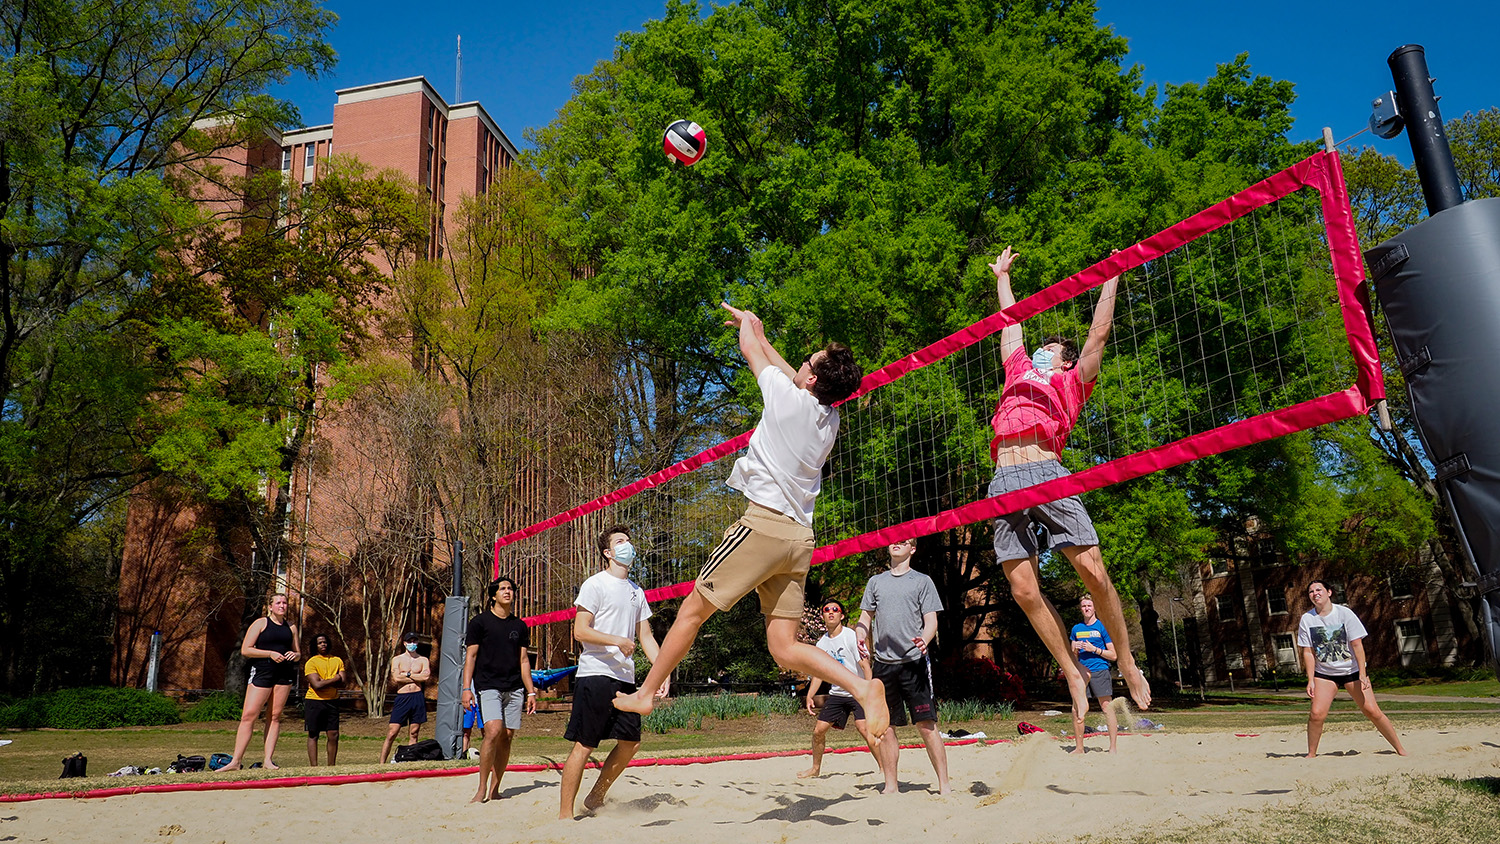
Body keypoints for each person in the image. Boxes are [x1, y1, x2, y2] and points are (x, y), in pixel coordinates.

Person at [613, 303, 889, 744]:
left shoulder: (787, 398)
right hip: (800, 539)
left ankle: (646, 693)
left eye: (809, 360)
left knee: (691, 610)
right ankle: (861, 686)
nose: (800, 362)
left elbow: (757, 358)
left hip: (762, 528)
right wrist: (762, 336)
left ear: (813, 378)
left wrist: (748, 327)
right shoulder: (828, 417)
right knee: (784, 647)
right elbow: (790, 373)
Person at [987, 246, 1151, 720]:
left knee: (1094, 573)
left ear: (1063, 361)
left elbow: (1099, 332)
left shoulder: (1073, 381)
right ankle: (1072, 674)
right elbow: (1009, 322)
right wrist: (1002, 277)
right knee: (1022, 591)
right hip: (1003, 477)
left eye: (1051, 348)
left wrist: (1113, 276)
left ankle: (1130, 663)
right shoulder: (1017, 370)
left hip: (1045, 470)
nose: (1042, 348)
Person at [559, 526, 668, 819]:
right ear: (608, 553)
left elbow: (646, 636)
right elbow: (580, 630)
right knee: (584, 745)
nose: (627, 546)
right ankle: (564, 816)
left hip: (625, 678)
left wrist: (663, 671)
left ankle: (595, 797)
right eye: (620, 542)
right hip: (595, 673)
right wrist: (616, 640)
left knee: (631, 743)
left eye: (629, 542)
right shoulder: (595, 584)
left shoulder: (636, 591)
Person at [856, 537, 949, 795]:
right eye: (893, 539)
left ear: (913, 548)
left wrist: (926, 639)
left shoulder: (922, 581)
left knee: (926, 725)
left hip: (913, 663)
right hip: (884, 665)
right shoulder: (876, 582)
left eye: (903, 540)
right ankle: (891, 786)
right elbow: (865, 617)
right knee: (885, 728)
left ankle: (944, 786)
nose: (896, 542)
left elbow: (931, 621)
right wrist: (860, 634)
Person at [1298, 580, 1407, 758]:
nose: (1315, 593)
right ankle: (1311, 754)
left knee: (1372, 711)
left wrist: (1362, 674)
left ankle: (1400, 749)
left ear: (1329, 592)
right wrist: (1310, 679)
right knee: (1316, 714)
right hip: (1325, 674)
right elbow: (1308, 652)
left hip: (1352, 671)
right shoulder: (1307, 619)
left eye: (1319, 589)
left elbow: (1357, 645)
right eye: (1311, 591)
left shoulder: (1344, 613)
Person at [462, 577, 538, 803]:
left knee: (507, 736)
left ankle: (496, 789)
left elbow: (524, 661)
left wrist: (531, 692)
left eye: (510, 589)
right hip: (488, 685)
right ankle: (481, 788)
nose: (508, 592)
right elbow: (471, 657)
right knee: (493, 731)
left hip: (514, 687)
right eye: (503, 589)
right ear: (493, 596)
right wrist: (467, 689)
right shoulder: (479, 622)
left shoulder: (519, 625)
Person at [797, 599, 877, 780]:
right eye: (827, 610)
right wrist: (810, 695)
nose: (831, 612)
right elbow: (818, 674)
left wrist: (869, 692)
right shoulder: (821, 644)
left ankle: (884, 767)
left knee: (864, 729)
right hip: (838, 694)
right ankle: (815, 769)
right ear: (823, 616)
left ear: (841, 615)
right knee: (818, 731)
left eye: (835, 609)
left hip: (858, 691)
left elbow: (866, 666)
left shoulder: (851, 637)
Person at [221, 593, 300, 771]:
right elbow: (246, 650)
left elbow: (298, 653)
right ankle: (236, 761)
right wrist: (269, 653)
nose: (282, 605)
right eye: (278, 602)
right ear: (270, 606)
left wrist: (295, 655)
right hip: (263, 672)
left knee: (274, 716)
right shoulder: (261, 623)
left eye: (285, 603)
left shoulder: (291, 627)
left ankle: (268, 760)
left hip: (283, 674)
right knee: (249, 715)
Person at [1069, 595, 1118, 754]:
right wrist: (1074, 648)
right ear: (1081, 609)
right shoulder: (1076, 629)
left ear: (1095, 607)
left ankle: (1112, 748)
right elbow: (1072, 655)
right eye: (1084, 606)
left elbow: (1113, 655)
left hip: (1100, 670)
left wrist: (1094, 649)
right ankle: (1079, 748)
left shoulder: (1102, 627)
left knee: (1107, 708)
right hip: (1082, 673)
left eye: (1089, 605)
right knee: (1077, 709)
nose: (1086, 608)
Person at [380, 632, 432, 763]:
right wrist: (415, 676)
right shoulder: (397, 659)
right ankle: (381, 763)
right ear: (404, 643)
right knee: (392, 732)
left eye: (415, 641)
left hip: (417, 697)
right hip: (403, 698)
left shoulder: (423, 660)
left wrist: (407, 675)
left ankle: (410, 760)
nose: (412, 644)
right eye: (410, 641)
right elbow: (396, 678)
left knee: (414, 732)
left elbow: (425, 677)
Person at [303, 633, 347, 766]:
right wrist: (335, 678)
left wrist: (325, 681)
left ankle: (331, 766)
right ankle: (314, 767)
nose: (323, 645)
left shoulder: (337, 660)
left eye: (325, 642)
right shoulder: (311, 662)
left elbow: (343, 682)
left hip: (332, 700)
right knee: (313, 734)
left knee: (333, 734)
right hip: (314, 701)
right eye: (320, 643)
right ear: (315, 646)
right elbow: (317, 686)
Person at [461, 690, 482, 758]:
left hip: (483, 701)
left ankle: (488, 755)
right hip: (467, 702)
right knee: (465, 732)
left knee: (486, 731)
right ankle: (464, 754)